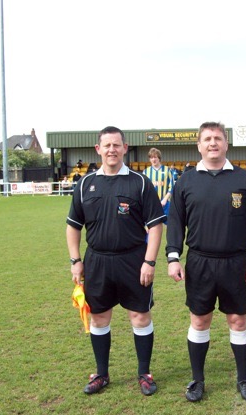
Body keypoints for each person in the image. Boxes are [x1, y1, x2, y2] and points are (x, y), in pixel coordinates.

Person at [166, 121, 246, 403]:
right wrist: (173, 256)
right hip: (199, 262)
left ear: (226, 144)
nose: (213, 143)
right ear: (199, 145)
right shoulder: (186, 181)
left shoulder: (244, 180)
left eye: (218, 139)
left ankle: (243, 379)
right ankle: (197, 380)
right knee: (200, 321)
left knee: (238, 320)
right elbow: (175, 223)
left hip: (236, 262)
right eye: (207, 139)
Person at [66, 126, 166, 396]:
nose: (112, 150)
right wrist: (75, 260)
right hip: (97, 261)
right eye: (106, 145)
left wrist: (150, 262)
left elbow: (156, 226)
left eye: (116, 145)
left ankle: (144, 373)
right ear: (98, 149)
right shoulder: (86, 184)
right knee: (99, 318)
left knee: (140, 316)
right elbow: (74, 225)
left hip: (133, 260)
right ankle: (101, 373)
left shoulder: (140, 182)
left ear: (125, 148)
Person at [143, 148, 175, 223]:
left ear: (159, 158)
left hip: (165, 203)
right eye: (151, 157)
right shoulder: (146, 172)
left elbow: (172, 186)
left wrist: (165, 199)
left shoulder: (168, 170)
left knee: (170, 225)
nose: (153, 159)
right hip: (151, 204)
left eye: (155, 157)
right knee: (151, 226)